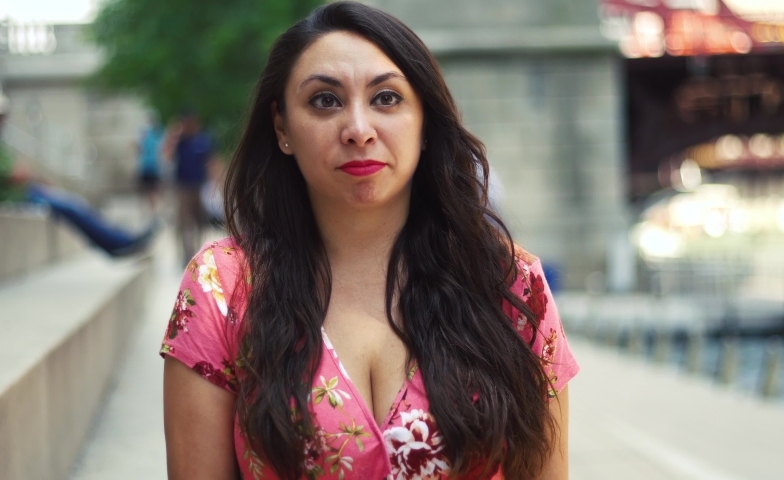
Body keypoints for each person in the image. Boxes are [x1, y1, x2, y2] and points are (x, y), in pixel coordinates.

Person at [160, 3, 579, 480]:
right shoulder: (223, 286)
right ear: (282, 128)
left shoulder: (510, 285)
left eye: (386, 98)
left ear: (424, 122)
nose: (359, 130)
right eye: (325, 100)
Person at [0, 93, 157, 257]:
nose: (4, 120)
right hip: (18, 196)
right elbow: (15, 174)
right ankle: (118, 242)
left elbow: (19, 172)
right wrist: (30, 176)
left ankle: (120, 239)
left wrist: (33, 177)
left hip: (28, 190)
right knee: (72, 207)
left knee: (76, 204)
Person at [161, 111, 216, 265]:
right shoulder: (179, 141)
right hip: (183, 188)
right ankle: (187, 257)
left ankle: (200, 254)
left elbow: (211, 161)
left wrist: (214, 185)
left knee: (201, 223)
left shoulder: (202, 140)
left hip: (199, 186)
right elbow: (166, 155)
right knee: (184, 224)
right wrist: (173, 134)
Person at [136, 113, 165, 215]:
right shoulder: (158, 133)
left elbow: (138, 148)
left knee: (149, 190)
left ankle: (150, 211)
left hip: (148, 165)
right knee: (152, 190)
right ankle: (153, 211)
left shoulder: (145, 133)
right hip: (152, 166)